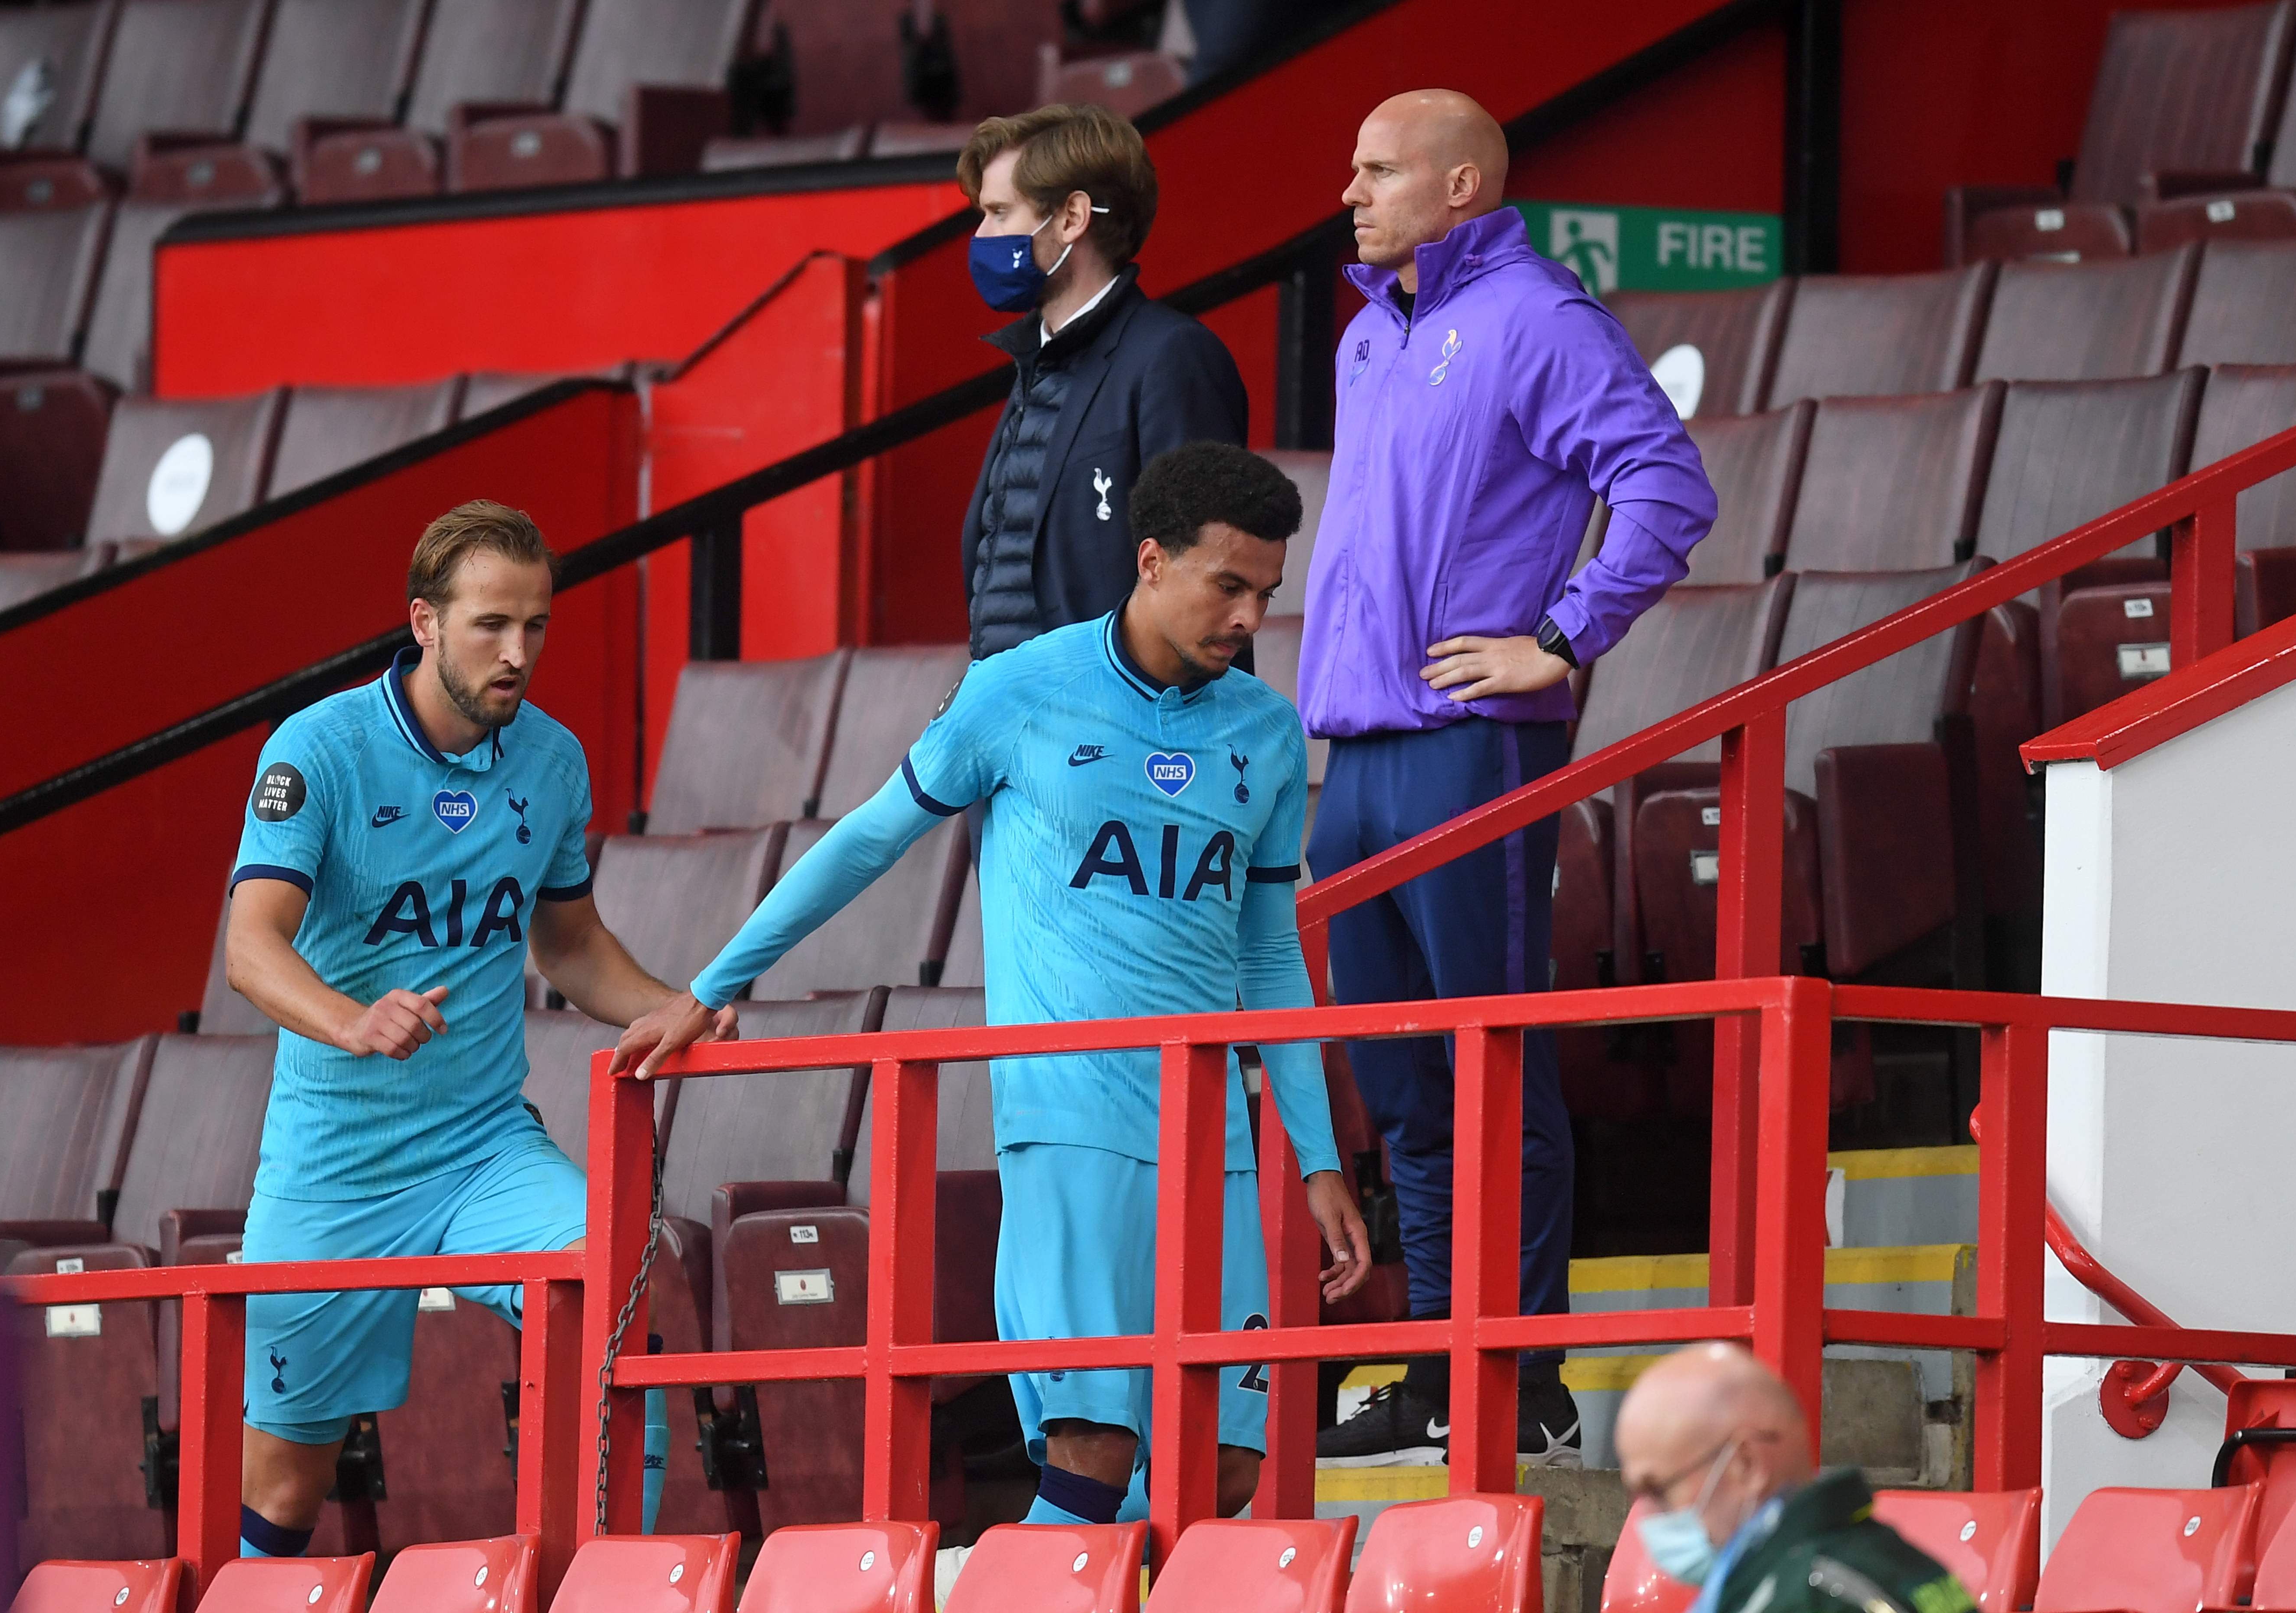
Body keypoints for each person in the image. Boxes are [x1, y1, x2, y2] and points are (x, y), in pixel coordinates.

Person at [615, 443, 1371, 1528]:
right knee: (1091, 1450)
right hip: (1070, 1120)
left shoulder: (1261, 731)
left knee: (1223, 1474)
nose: (1250, 616)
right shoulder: (1021, 691)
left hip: (1218, 1133)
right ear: (1151, 560)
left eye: (1266, 592)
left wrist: (1316, 1155)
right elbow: (869, 840)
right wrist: (711, 984)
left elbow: (1268, 956)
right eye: (1228, 585)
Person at [1303, 89, 1717, 1469]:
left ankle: (1521, 1373)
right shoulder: (1368, 334)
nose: (1348, 191)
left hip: (1466, 751)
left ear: (1462, 183)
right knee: (1406, 1087)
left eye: (1378, 170)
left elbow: (1664, 482)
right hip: (1351, 757)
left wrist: (1559, 638)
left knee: (1486, 1065)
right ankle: (1438, 1358)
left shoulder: (1538, 316)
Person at [223, 501, 737, 1557]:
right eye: (490, 625)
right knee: (286, 1477)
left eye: (536, 627)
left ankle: (598, 1584)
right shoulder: (317, 750)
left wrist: (672, 1006)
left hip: (480, 1147)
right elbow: (251, 946)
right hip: (336, 1164)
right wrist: (353, 1019)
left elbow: (571, 948)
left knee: (615, 1293)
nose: (517, 654)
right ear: (423, 621)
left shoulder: (550, 762)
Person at [957, 103, 1249, 666]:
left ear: (1071, 218)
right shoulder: (1034, 362)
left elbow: (1213, 580)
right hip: (1009, 722)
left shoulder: (1173, 357)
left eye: (998, 212)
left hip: (1115, 736)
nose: (982, 235)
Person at [1615, 1344, 1974, 1613]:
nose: (1646, 1516)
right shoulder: (1869, 1560)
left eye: (1658, 1489)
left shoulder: (1814, 1594)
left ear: (1746, 1464)